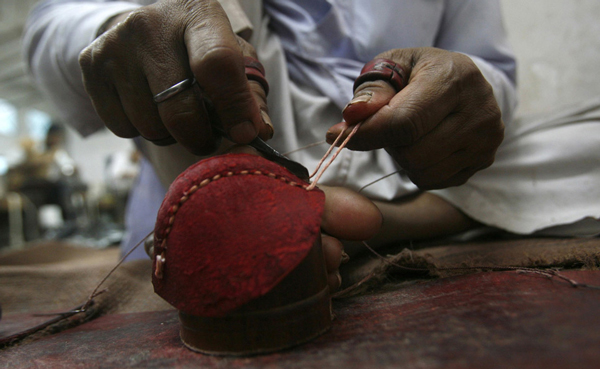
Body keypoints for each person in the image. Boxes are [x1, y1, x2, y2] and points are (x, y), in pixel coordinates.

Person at [24, 0, 600, 291]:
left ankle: (352, 218)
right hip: (221, 131)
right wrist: (133, 27)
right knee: (195, 11)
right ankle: (240, 188)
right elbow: (55, 24)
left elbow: (492, 72)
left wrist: (462, 91)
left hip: (400, 161)